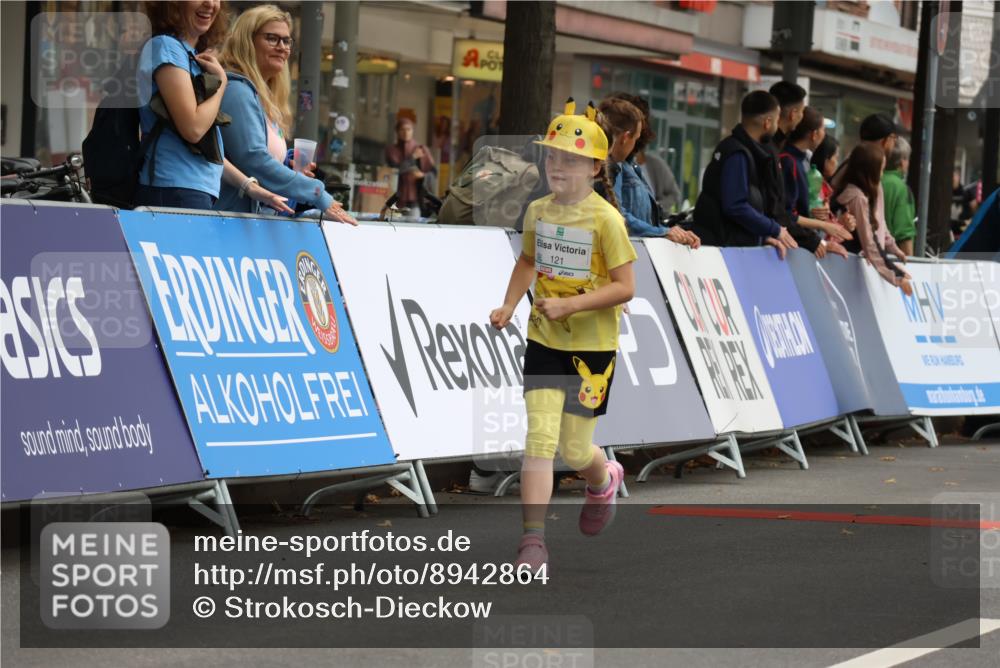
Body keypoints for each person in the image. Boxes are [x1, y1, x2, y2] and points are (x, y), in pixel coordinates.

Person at [489, 99, 636, 571]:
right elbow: (528, 261)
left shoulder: (607, 221)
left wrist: (572, 303)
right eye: (552, 156)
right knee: (539, 440)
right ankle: (532, 542)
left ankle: (603, 477)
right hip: (544, 340)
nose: (558, 166)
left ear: (595, 167)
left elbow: (625, 287)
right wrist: (510, 305)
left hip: (591, 350)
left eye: (570, 160)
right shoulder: (537, 211)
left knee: (574, 450)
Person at [136, 1, 288, 212]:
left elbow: (205, 149)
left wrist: (248, 186)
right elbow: (194, 129)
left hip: (192, 190)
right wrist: (221, 84)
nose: (210, 4)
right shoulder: (166, 47)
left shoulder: (186, 52)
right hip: (174, 188)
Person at [215, 5, 355, 223]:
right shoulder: (238, 91)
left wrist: (286, 162)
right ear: (247, 41)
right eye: (272, 38)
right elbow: (253, 159)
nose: (282, 47)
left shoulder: (262, 96)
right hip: (231, 222)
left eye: (286, 40)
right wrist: (316, 193)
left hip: (254, 221)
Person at [691, 90, 799, 258]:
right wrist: (774, 229)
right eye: (777, 120)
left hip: (724, 244)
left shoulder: (738, 149)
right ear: (768, 122)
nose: (778, 126)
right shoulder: (738, 154)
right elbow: (735, 205)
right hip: (722, 250)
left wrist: (762, 237)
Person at [597, 97, 699, 246]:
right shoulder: (611, 167)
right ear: (626, 137)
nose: (635, 144)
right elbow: (616, 215)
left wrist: (670, 232)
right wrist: (663, 232)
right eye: (635, 138)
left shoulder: (625, 165)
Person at [834, 144, 913, 294]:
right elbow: (869, 242)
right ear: (869, 171)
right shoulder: (858, 198)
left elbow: (878, 225)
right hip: (844, 269)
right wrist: (897, 275)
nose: (882, 175)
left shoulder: (855, 191)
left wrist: (891, 247)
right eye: (881, 170)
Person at [777, 106, 853, 258]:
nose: (824, 135)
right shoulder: (789, 162)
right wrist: (821, 229)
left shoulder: (800, 160)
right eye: (823, 130)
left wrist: (815, 214)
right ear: (815, 134)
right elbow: (786, 214)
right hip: (791, 247)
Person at [609, 92, 682, 214]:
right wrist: (661, 231)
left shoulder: (630, 167)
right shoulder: (619, 169)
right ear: (626, 137)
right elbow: (627, 218)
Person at [809, 134, 856, 254]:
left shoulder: (825, 188)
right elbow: (819, 230)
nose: (837, 162)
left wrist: (841, 224)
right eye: (836, 157)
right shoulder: (814, 186)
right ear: (826, 160)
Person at [385, 117, 436, 219]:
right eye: (402, 129)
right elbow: (394, 171)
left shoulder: (421, 149)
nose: (406, 132)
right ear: (397, 131)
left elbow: (433, 173)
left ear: (412, 131)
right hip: (395, 201)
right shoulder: (391, 150)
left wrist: (423, 175)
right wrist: (412, 157)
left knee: (414, 230)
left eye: (409, 129)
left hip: (416, 202)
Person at [882, 136, 915, 257]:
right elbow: (904, 233)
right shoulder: (901, 189)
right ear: (902, 162)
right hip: (892, 259)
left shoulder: (873, 180)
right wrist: (910, 265)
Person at [768, 80, 806, 150]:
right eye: (802, 111)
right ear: (793, 114)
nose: (802, 116)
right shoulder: (771, 148)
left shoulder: (762, 139)